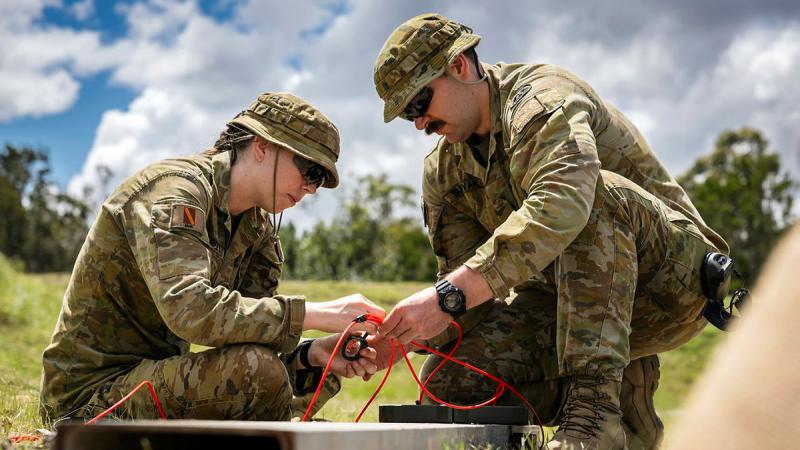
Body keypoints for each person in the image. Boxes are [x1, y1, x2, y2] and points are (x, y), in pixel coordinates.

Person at [370, 13, 729, 449]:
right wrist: (398, 337)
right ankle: (624, 405)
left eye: (418, 103)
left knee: (589, 194)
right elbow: (467, 295)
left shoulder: (541, 98)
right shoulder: (445, 171)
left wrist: (447, 297)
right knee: (451, 384)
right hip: (565, 305)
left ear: (459, 66)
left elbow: (564, 203)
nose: (419, 123)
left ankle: (594, 415)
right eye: (407, 114)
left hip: (669, 285)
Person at [40, 92, 384, 424]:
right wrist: (317, 313)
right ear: (262, 146)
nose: (311, 188)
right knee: (257, 372)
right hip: (89, 396)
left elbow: (251, 337)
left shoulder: (255, 228)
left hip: (151, 378)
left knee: (305, 370)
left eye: (319, 179)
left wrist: (311, 356)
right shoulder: (175, 191)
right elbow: (190, 310)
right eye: (309, 170)